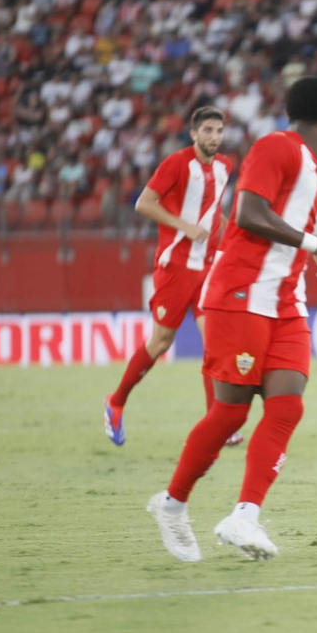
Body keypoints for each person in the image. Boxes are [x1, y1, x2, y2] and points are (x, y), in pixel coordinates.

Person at [147, 77, 317, 563]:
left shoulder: (310, 165)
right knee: (231, 412)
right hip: (240, 295)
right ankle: (171, 506)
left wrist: (308, 259)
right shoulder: (278, 147)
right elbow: (247, 212)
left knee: (286, 406)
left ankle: (244, 517)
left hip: (285, 302)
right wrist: (316, 245)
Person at [105, 107, 237, 448]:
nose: (214, 137)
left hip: (207, 270)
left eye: (218, 130)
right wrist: (184, 227)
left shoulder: (224, 167)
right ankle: (116, 401)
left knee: (217, 344)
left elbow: (213, 212)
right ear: (193, 134)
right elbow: (144, 203)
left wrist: (231, 238)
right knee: (160, 342)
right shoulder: (176, 164)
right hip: (175, 268)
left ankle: (217, 424)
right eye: (207, 130)